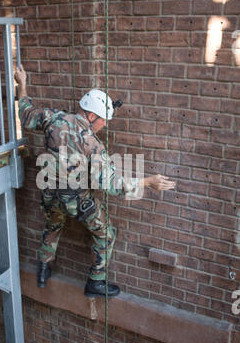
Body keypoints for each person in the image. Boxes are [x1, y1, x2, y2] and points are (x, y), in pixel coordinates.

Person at [14, 64, 176, 298]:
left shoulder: (52, 118)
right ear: (91, 116)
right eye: (103, 120)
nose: (104, 125)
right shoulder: (93, 145)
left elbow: (26, 114)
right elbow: (111, 185)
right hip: (76, 201)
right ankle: (95, 283)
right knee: (106, 235)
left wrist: (23, 84)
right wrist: (147, 182)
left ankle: (42, 271)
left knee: (53, 225)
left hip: (49, 196)